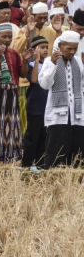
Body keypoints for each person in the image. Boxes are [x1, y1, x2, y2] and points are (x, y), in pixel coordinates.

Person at [38, 31, 84, 168]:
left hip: (77, 116)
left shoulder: (78, 63)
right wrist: (53, 65)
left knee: (77, 155)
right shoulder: (49, 61)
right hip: (58, 116)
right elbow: (44, 84)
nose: (72, 52)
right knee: (55, 154)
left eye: (75, 48)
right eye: (68, 48)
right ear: (60, 46)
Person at [0, 23, 23, 162]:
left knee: (11, 123)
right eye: (4, 37)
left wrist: (26, 60)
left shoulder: (14, 53)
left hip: (12, 93)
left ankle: (11, 154)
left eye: (9, 37)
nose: (7, 40)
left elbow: (22, 74)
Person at [22, 35, 49, 168]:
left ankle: (40, 164)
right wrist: (37, 60)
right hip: (35, 105)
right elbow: (34, 80)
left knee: (44, 137)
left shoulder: (50, 63)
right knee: (32, 136)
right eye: (42, 47)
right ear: (34, 50)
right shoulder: (32, 65)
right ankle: (26, 163)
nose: (45, 50)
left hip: (47, 106)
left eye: (46, 47)